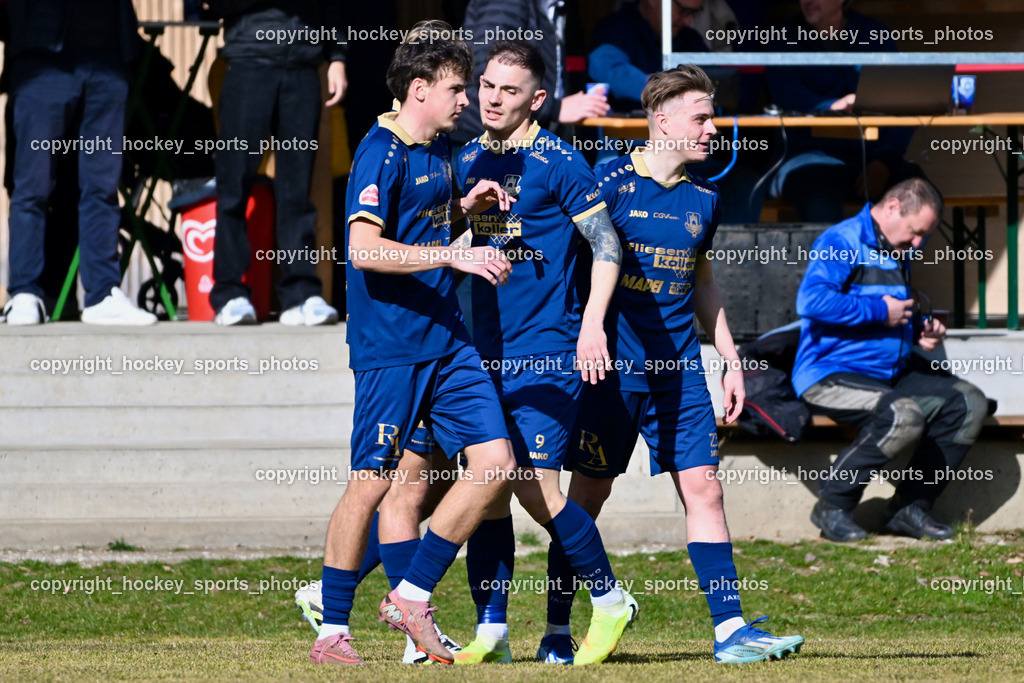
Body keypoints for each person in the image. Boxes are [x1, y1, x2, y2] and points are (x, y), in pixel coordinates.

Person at [552, 64, 804, 663]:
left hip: (681, 374)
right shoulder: (606, 182)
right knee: (585, 499)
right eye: (701, 117)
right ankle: (557, 631)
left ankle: (730, 631)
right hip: (608, 374)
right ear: (661, 121)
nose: (713, 128)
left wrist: (730, 358)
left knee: (706, 489)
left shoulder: (705, 197)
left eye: (711, 116)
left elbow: (704, 284)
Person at [406, 40, 634, 666]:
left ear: (537, 99)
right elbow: (449, 242)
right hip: (478, 352)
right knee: (488, 489)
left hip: (546, 350)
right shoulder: (466, 155)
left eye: (509, 90)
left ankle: (611, 600)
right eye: (485, 85)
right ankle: (493, 629)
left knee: (534, 485)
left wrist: (592, 328)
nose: (491, 97)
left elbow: (607, 246)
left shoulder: (559, 160)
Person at [309, 20, 518, 667]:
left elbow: (422, 222)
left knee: (495, 463)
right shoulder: (380, 148)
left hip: (447, 340)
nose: (468, 100)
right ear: (420, 88)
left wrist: (467, 209)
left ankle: (411, 593)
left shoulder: (440, 152)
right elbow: (364, 249)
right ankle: (331, 628)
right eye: (458, 88)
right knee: (370, 486)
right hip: (391, 347)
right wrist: (452, 256)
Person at [792, 178, 988, 543]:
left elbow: (891, 313)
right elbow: (812, 302)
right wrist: (880, 312)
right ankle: (832, 504)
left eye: (924, 237)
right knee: (903, 414)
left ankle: (909, 508)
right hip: (830, 374)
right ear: (894, 207)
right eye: (915, 233)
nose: (917, 244)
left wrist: (917, 330)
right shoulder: (843, 240)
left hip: (887, 376)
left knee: (968, 402)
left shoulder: (899, 248)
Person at [3, 0, 156, 326]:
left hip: (108, 58)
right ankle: (24, 293)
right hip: (42, 59)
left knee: (102, 185)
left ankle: (102, 293)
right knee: (33, 185)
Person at [205, 0, 346, 326]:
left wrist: (337, 56)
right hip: (247, 62)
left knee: (297, 189)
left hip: (304, 66)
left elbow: (334, 7)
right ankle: (229, 293)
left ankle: (300, 294)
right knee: (234, 184)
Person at [764, 0, 923, 223]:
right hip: (808, 157)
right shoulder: (782, 36)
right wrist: (830, 108)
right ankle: (835, 258)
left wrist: (883, 161)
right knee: (818, 202)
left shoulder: (874, 33)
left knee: (919, 200)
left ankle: (881, 259)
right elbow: (786, 94)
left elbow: (902, 104)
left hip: (870, 158)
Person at [452, 0, 610, 147]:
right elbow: (489, 70)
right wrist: (556, 109)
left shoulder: (554, 8)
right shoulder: (506, 2)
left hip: (507, 141)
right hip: (481, 142)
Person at [587, 0, 708, 113]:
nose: (688, 21)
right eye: (683, 11)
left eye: (694, 13)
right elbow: (608, 71)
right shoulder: (613, 29)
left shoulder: (691, 39)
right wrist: (668, 91)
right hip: (625, 133)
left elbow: (713, 78)